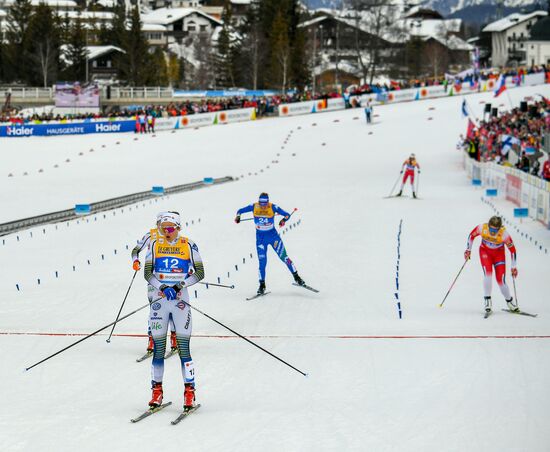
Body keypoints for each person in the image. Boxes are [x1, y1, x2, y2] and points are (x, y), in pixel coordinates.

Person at [144, 212, 204, 410]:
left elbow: (200, 273)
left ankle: (189, 392)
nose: (166, 232)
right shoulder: (155, 244)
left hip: (180, 303)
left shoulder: (188, 245)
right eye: (163, 228)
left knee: (184, 350)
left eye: (170, 228)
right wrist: (162, 287)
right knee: (159, 350)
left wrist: (179, 286)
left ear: (178, 227)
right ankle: (157, 392)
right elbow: (147, 273)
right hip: (160, 302)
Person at [235, 193, 305, 295]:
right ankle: (262, 285)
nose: (263, 205)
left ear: (268, 202)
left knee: (284, 257)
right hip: (261, 239)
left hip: (273, 237)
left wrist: (283, 220)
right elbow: (239, 211)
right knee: (262, 263)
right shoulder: (254, 206)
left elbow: (287, 214)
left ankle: (297, 277)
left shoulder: (273, 207)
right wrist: (238, 217)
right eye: (261, 203)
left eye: (265, 203)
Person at [131, 212, 179, 356]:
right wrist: (135, 261)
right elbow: (135, 250)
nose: (163, 227)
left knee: (173, 310)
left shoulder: (174, 237)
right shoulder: (150, 235)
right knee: (155, 310)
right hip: (153, 279)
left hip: (171, 279)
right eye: (160, 223)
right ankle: (152, 342)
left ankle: (175, 342)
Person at [464, 215, 519, 314]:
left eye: (496, 230)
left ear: (500, 228)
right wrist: (468, 250)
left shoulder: (504, 234)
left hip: (499, 255)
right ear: (488, 225)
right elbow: (471, 236)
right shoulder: (482, 228)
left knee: (501, 280)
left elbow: (513, 251)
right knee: (488, 275)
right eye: (491, 229)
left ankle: (510, 302)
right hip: (485, 253)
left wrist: (513, 267)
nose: (493, 232)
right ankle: (487, 301)